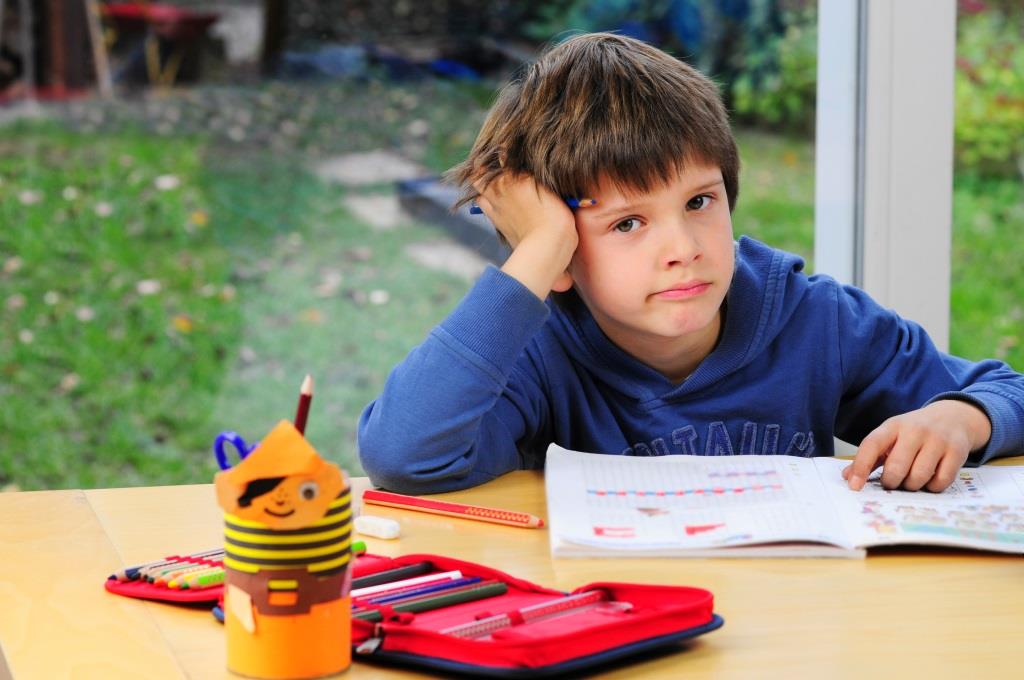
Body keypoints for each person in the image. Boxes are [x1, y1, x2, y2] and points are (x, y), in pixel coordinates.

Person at [357, 32, 1024, 495]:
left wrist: (962, 417)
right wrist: (536, 253)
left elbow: (1009, 392)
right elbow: (403, 456)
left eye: (699, 201)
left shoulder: (818, 322)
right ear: (561, 253)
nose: (683, 247)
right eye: (627, 223)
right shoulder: (537, 353)